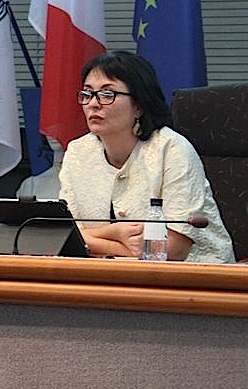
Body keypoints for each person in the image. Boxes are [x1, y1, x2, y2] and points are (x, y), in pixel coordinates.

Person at [57, 51, 235, 262]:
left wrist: (93, 241)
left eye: (107, 94)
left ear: (139, 106)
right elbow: (63, 234)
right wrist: (116, 233)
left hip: (195, 278)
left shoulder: (172, 149)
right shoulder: (78, 152)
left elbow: (174, 250)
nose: (93, 104)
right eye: (87, 94)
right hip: (106, 276)